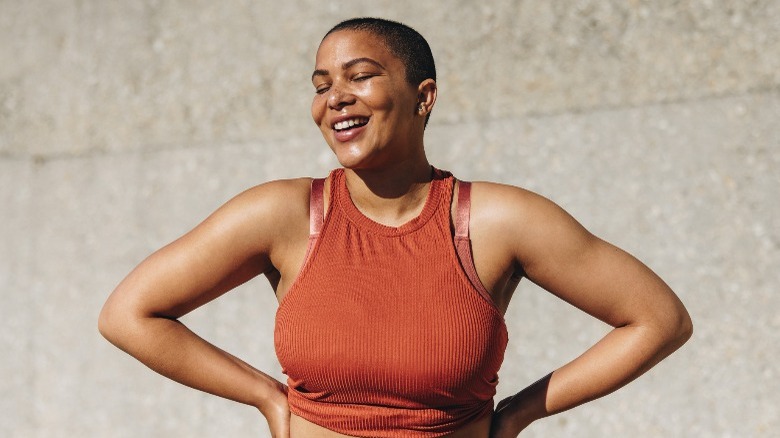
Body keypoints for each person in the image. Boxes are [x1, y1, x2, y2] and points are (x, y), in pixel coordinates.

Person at [98, 17, 692, 438]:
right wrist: (266, 399)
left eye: (360, 76)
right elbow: (129, 315)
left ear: (423, 96)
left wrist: (515, 416)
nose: (335, 98)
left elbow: (658, 320)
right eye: (322, 85)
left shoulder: (498, 221)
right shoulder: (282, 215)